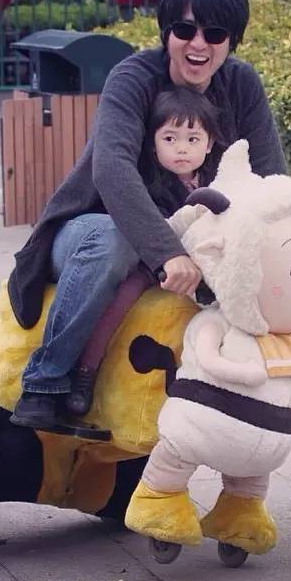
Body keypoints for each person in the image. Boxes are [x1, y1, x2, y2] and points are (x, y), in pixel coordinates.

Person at [9, 0, 287, 429]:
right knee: (113, 240)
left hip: (186, 238)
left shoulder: (241, 84)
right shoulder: (133, 78)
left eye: (215, 33)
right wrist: (166, 253)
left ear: (232, 40)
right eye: (185, 29)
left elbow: (270, 176)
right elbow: (111, 169)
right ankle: (43, 383)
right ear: (166, 32)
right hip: (92, 232)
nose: (198, 44)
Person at [64, 85, 222, 416]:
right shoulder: (149, 183)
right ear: (153, 144)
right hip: (152, 263)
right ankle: (86, 369)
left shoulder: (217, 181)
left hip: (203, 264)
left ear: (209, 144)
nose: (182, 148)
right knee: (123, 295)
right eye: (170, 138)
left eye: (193, 139)